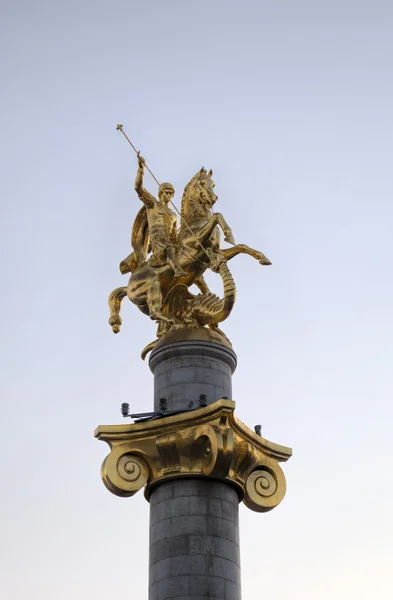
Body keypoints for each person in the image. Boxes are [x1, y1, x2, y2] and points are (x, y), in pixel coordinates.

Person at [134, 154, 187, 277]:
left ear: (172, 195)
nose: (166, 195)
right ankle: (177, 270)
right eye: (164, 192)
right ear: (159, 194)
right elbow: (138, 188)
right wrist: (141, 170)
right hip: (158, 239)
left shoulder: (174, 214)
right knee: (169, 247)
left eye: (169, 193)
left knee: (180, 250)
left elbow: (174, 235)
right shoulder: (152, 204)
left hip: (169, 240)